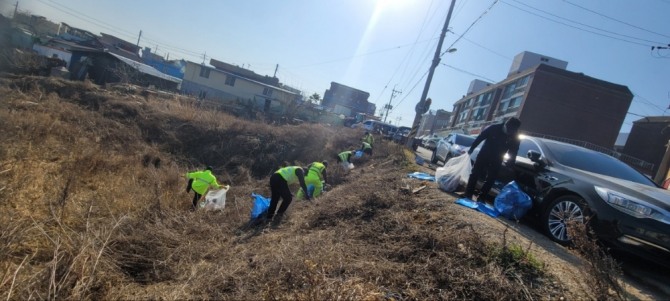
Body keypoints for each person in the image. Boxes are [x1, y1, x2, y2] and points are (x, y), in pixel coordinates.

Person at [462, 117, 521, 203]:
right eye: (509, 130)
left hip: (498, 158)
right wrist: (472, 148)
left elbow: (513, 152)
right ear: (506, 125)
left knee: (491, 178)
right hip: (484, 154)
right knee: (475, 173)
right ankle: (468, 193)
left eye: (512, 131)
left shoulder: (515, 137)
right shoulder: (494, 128)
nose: (509, 133)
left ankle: (481, 197)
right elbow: (480, 137)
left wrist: (510, 164)